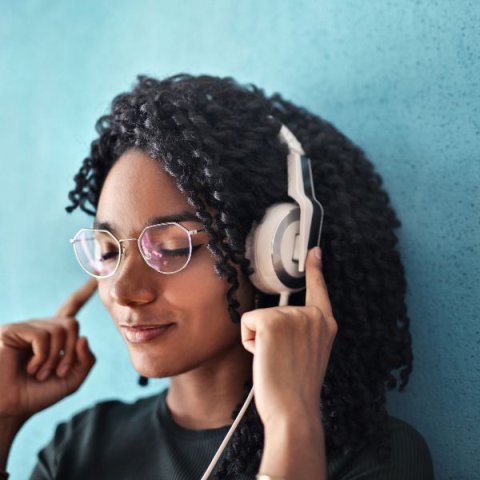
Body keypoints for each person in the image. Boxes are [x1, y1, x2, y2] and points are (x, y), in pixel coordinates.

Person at [0, 74, 434, 479]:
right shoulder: (79, 449)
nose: (124, 292)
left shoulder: (376, 455)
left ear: (277, 251)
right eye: (109, 250)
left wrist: (291, 426)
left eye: (171, 247)